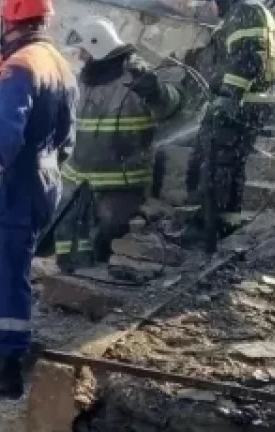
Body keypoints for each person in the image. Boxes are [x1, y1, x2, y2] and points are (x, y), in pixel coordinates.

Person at [0, 0, 77, 398]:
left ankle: (6, 368)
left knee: (3, 273)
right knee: (4, 266)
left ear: (8, 20)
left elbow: (7, 137)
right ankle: (3, 351)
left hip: (19, 181)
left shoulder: (19, 66)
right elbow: (65, 138)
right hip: (44, 177)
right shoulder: (56, 62)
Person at [56, 16, 183, 267]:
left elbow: (170, 106)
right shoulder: (86, 79)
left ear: (97, 46)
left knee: (107, 242)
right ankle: (65, 281)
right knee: (67, 237)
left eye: (83, 52)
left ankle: (88, 288)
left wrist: (155, 91)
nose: (80, 58)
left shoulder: (136, 77)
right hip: (77, 180)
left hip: (121, 186)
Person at [182, 0, 275, 248]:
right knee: (223, 164)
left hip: (239, 104)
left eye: (210, 0)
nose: (210, 8)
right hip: (241, 102)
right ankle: (221, 222)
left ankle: (209, 228)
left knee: (214, 164)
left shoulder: (246, 11)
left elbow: (250, 56)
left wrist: (229, 95)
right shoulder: (248, 10)